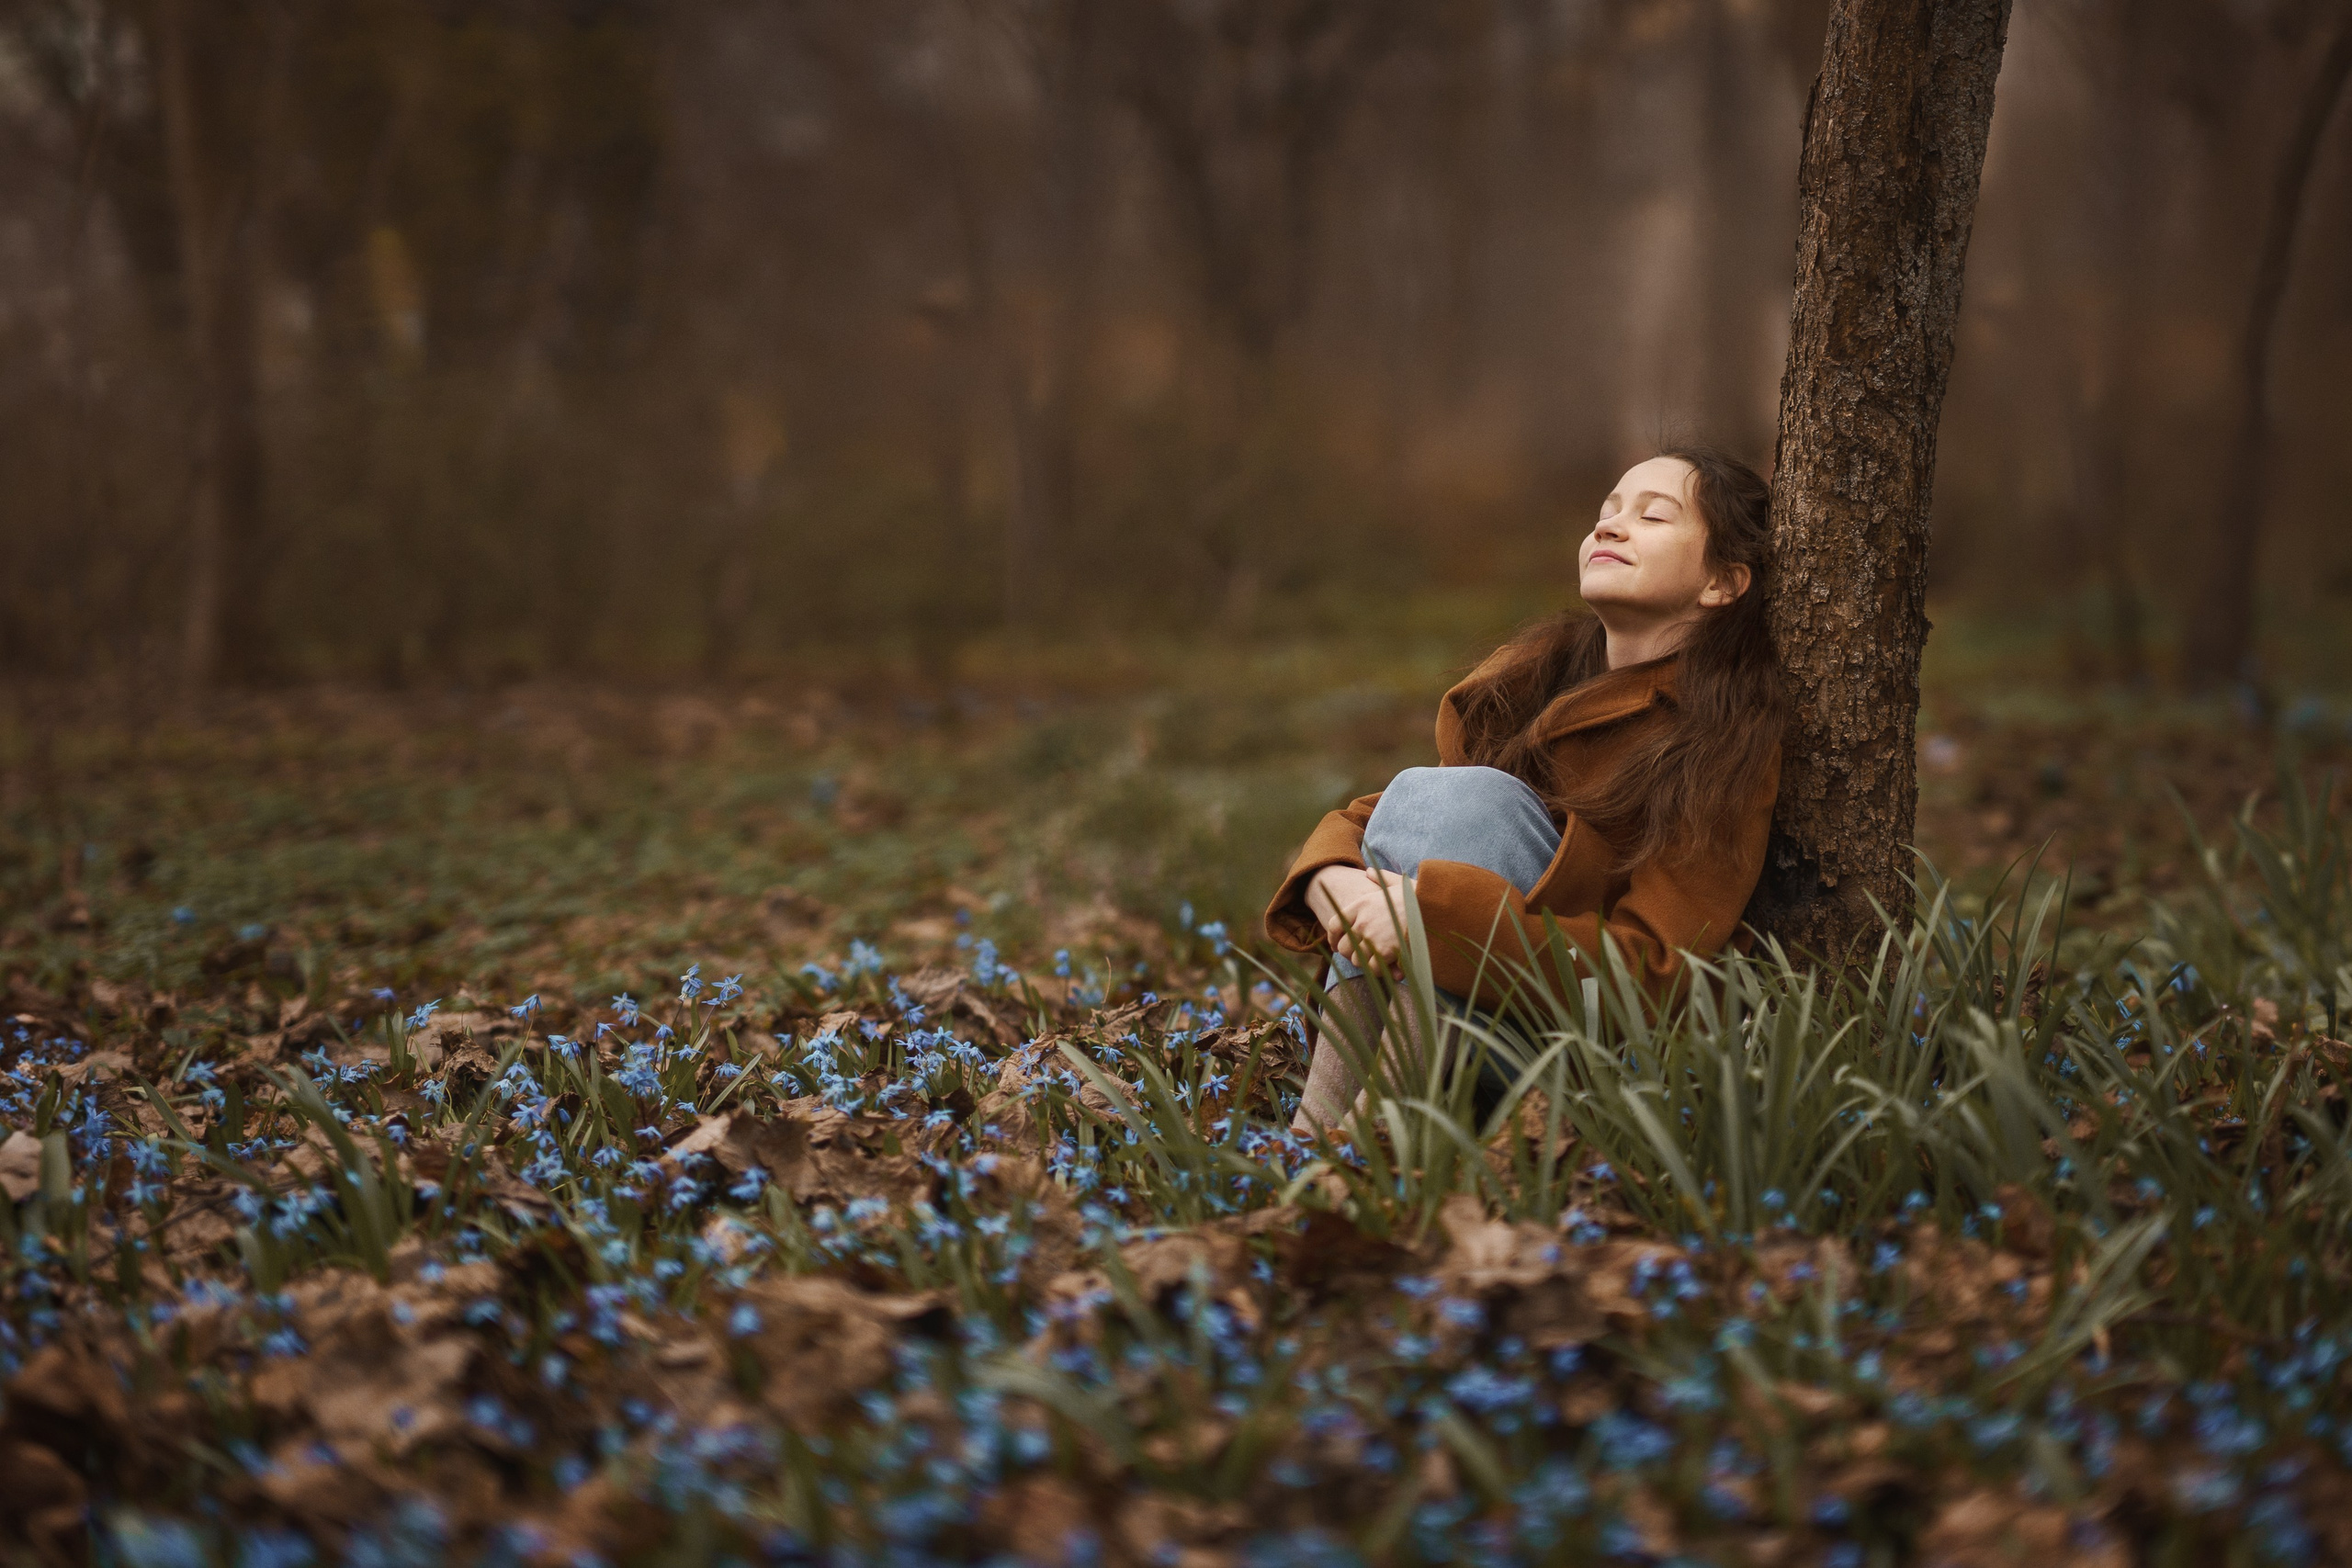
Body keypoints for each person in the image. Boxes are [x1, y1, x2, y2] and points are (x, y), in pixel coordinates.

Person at [1262, 446, 1786, 1134]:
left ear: (1722, 582)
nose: (1610, 527)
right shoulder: (1536, 679)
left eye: (1652, 516)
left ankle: (1357, 1148)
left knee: (1472, 800)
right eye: (1606, 512)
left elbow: (1658, 970)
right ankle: (1319, 1134)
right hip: (1458, 1023)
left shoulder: (1725, 736)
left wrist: (1432, 917)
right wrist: (1336, 883)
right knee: (1436, 795)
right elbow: (1389, 816)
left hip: (1585, 1061)